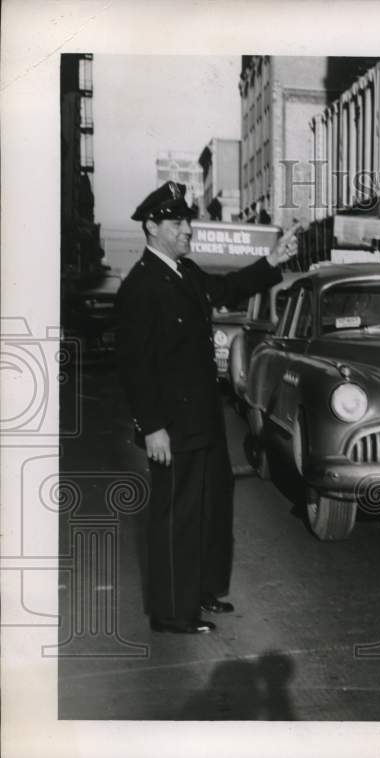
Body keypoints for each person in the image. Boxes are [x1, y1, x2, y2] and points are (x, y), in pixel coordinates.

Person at [115, 181, 299, 635]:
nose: (187, 230)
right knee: (176, 513)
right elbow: (135, 367)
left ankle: (201, 590)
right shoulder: (140, 286)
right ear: (152, 226)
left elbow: (226, 287)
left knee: (211, 507)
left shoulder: (186, 273)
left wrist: (271, 264)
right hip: (173, 425)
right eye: (177, 222)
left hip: (205, 420)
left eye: (188, 221)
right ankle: (172, 612)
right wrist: (152, 427)